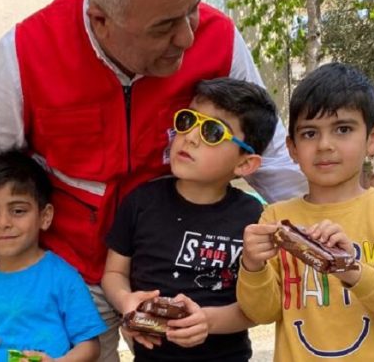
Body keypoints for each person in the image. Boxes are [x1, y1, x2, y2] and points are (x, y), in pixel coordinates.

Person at [0, 0, 308, 358]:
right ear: (101, 19)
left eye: (193, 8)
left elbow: (272, 161)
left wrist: (329, 230)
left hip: (169, 274)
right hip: (70, 269)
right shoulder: (24, 53)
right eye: (164, 27)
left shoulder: (219, 39)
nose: (188, 36)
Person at [238, 63, 374, 361]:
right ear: (292, 148)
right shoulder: (276, 218)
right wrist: (252, 265)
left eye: (343, 129)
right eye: (309, 133)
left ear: (373, 137)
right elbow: (263, 312)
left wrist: (353, 269)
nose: (324, 145)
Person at [102, 78, 277, 361]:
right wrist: (126, 301)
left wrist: (208, 321)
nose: (191, 137)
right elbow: (114, 273)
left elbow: (258, 308)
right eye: (187, 120)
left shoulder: (254, 218)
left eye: (212, 131)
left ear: (245, 163)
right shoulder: (140, 202)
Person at [0, 150, 107, 361]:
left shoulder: (62, 276)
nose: (3, 223)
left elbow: (89, 345)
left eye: (18, 211)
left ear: (45, 216)